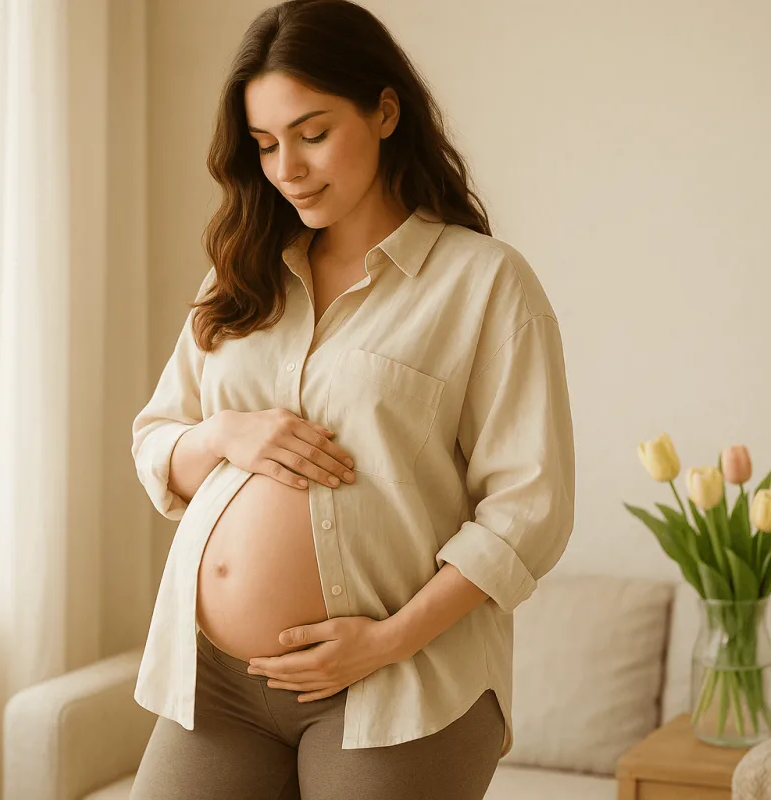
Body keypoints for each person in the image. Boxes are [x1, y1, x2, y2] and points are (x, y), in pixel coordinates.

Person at [128, 1, 575, 797]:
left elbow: (528, 509)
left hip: (396, 684)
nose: (287, 169)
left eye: (312, 132)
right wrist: (225, 432)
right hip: (215, 683)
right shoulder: (240, 276)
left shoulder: (484, 284)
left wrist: (386, 642)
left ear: (385, 111)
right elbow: (158, 438)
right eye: (264, 145)